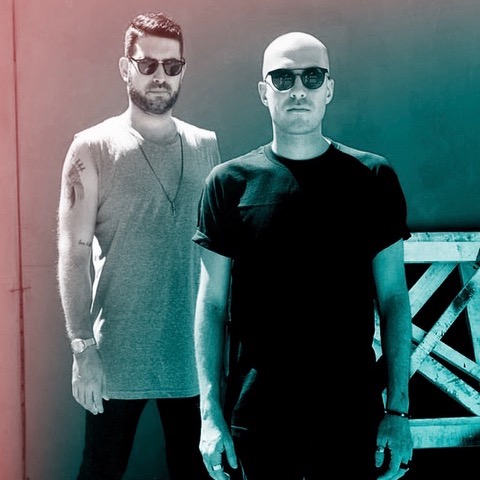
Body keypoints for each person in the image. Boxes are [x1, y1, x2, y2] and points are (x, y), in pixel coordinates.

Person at [193, 31, 413, 479]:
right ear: (264, 92)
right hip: (258, 418)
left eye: (312, 77)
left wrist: (398, 411)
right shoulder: (228, 183)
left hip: (350, 416)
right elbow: (211, 305)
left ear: (328, 89)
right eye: (283, 78)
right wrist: (209, 415)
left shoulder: (372, 178)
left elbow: (393, 298)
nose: (298, 89)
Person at [57, 12, 220, 480]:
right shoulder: (92, 148)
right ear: (125, 68)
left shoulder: (206, 145)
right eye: (147, 65)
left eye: (172, 66)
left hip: (191, 357)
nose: (160, 76)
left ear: (183, 70)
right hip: (115, 356)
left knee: (198, 473)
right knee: (100, 471)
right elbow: (73, 252)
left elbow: (219, 254)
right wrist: (82, 349)